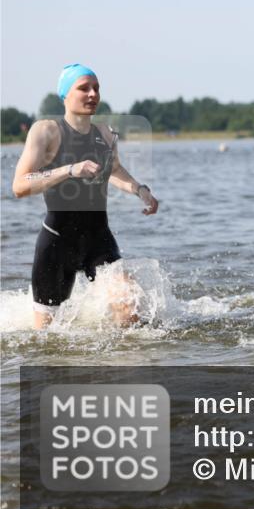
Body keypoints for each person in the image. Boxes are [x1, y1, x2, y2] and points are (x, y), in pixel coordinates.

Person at [12, 64, 160, 329]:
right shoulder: (46, 131)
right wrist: (70, 170)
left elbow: (113, 170)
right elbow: (20, 185)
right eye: (84, 88)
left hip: (98, 240)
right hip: (56, 245)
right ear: (65, 94)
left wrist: (140, 190)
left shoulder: (105, 134)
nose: (93, 94)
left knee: (129, 304)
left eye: (96, 88)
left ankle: (123, 368)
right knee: (45, 339)